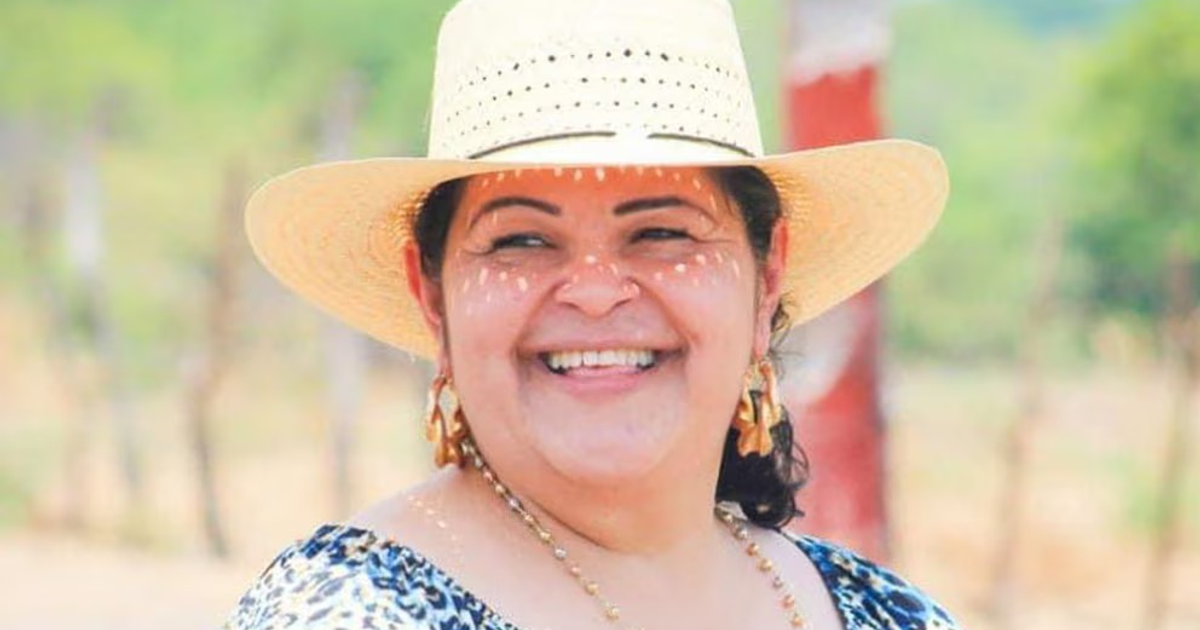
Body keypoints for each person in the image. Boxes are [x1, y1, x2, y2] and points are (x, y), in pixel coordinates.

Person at [225, 0, 957, 628]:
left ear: (765, 278)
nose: (596, 291)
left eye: (662, 232)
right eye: (521, 241)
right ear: (432, 295)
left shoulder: (883, 611)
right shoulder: (350, 611)